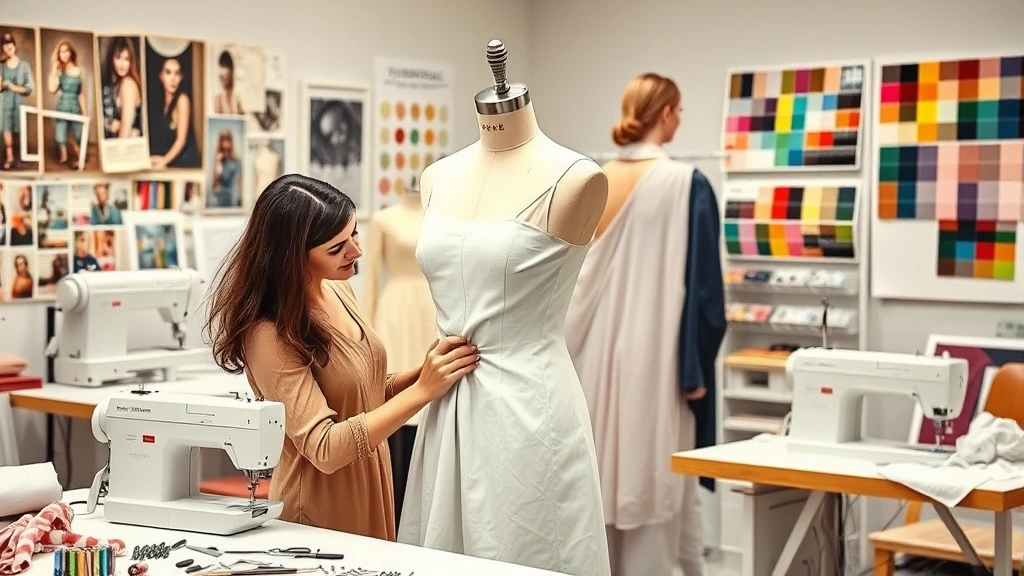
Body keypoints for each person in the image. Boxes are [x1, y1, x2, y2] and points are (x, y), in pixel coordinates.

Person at [204, 173, 479, 540]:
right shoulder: (268, 333)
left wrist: (423, 374)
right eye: (336, 248)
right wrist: (423, 392)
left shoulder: (338, 290)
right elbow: (324, 447)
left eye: (354, 233)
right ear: (291, 257)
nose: (356, 251)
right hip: (318, 513)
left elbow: (363, 391)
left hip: (368, 490)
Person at [565, 73, 726, 576]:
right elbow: (704, 292)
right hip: (657, 359)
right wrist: (696, 367)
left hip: (585, 355)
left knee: (596, 477)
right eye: (678, 111)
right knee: (650, 477)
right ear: (663, 114)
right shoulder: (686, 183)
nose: (679, 120)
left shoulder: (590, 179)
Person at [0, 33, 35, 170]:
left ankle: (20, 157)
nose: (8, 48)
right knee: (7, 128)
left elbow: (29, 88)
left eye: (10, 45)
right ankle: (10, 158)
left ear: (14, 46)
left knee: (19, 130)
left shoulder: (24, 66)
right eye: (5, 45)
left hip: (19, 102)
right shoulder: (1, 66)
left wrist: (13, 87)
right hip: (5, 102)